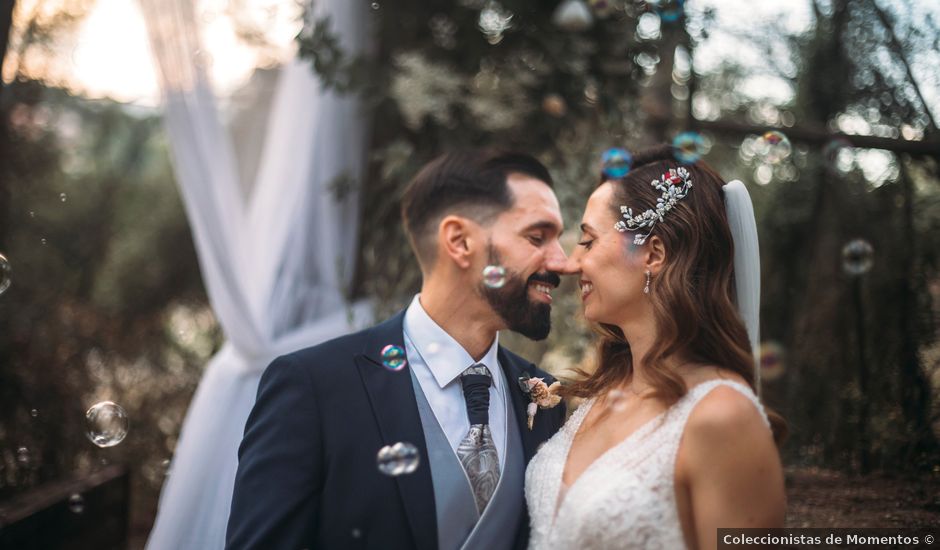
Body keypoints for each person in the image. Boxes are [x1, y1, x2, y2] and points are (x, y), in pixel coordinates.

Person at [226, 149, 569, 550]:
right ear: (459, 242)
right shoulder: (314, 388)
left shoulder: (543, 397)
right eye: (537, 237)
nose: (562, 261)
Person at [525, 145, 787, 550]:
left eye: (588, 241)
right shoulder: (598, 397)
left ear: (653, 253)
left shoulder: (722, 417)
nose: (571, 263)